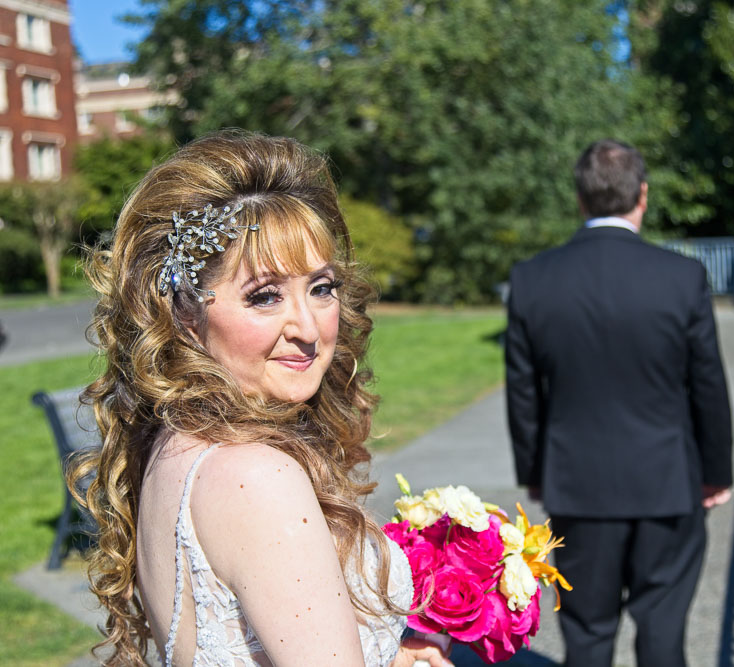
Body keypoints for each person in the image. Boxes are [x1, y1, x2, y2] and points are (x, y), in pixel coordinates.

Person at [69, 130, 452, 667]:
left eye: (321, 288)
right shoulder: (254, 477)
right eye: (265, 296)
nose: (308, 328)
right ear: (183, 312)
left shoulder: (173, 442)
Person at [504, 139, 733, 667]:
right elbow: (707, 385)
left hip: (578, 486)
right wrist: (716, 470)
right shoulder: (682, 277)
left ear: (580, 199)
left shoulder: (533, 279)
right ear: (643, 196)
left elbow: (523, 392)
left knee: (585, 635)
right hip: (669, 482)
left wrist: (536, 472)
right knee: (663, 633)